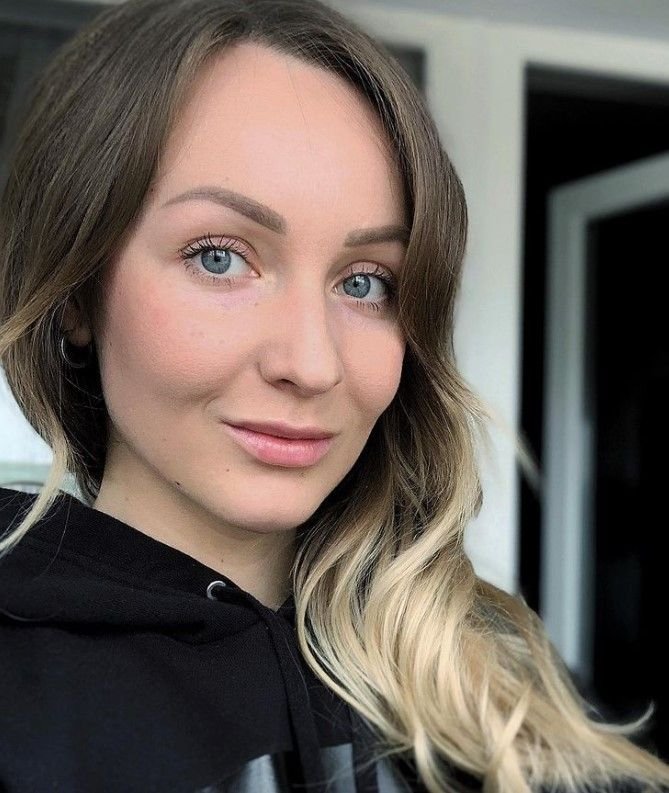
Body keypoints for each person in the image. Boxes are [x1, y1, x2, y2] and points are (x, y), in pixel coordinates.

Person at [0, 0, 667, 791]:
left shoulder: (488, 676)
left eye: (364, 282)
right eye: (218, 257)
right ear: (76, 294)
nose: (312, 364)